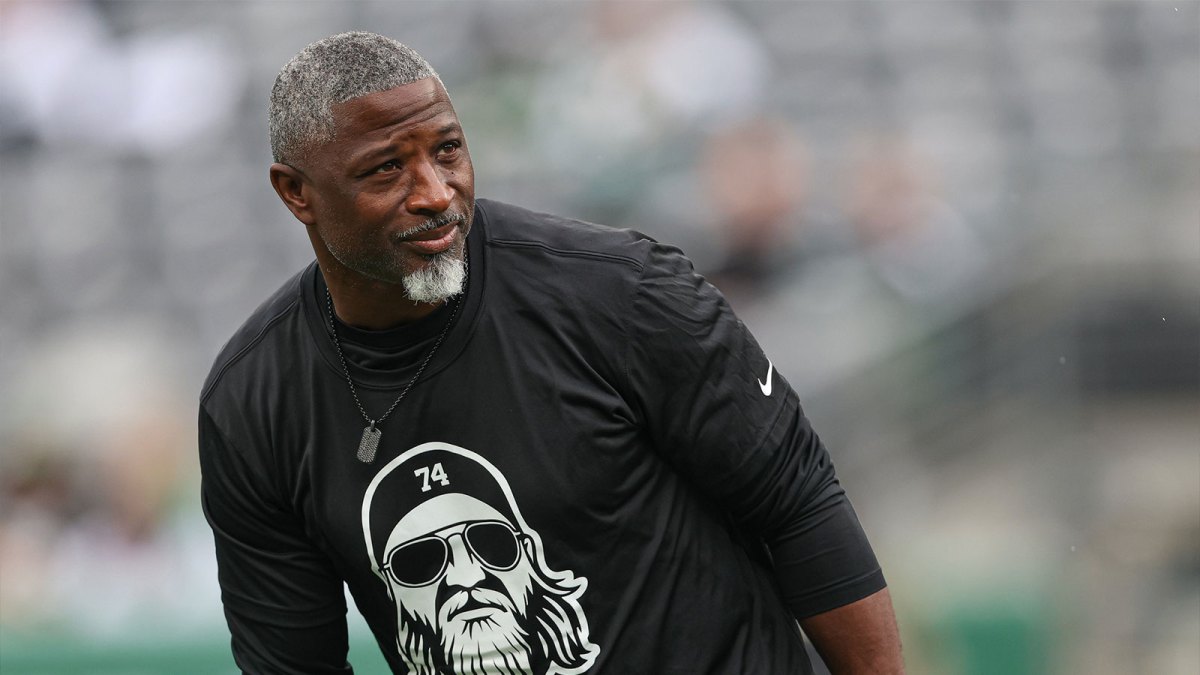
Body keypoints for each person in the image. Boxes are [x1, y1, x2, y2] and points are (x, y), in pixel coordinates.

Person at [199, 31, 904, 674]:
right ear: (297, 193)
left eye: (447, 149)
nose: (437, 193)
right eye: (386, 169)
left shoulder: (621, 292)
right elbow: (294, 666)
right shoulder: (254, 402)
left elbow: (799, 504)